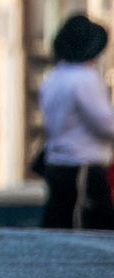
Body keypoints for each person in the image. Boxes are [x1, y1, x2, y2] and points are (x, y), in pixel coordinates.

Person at [38, 13, 114, 229]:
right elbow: (103, 122)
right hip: (82, 164)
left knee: (58, 220)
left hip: (57, 161)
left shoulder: (54, 77)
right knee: (90, 226)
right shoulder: (84, 79)